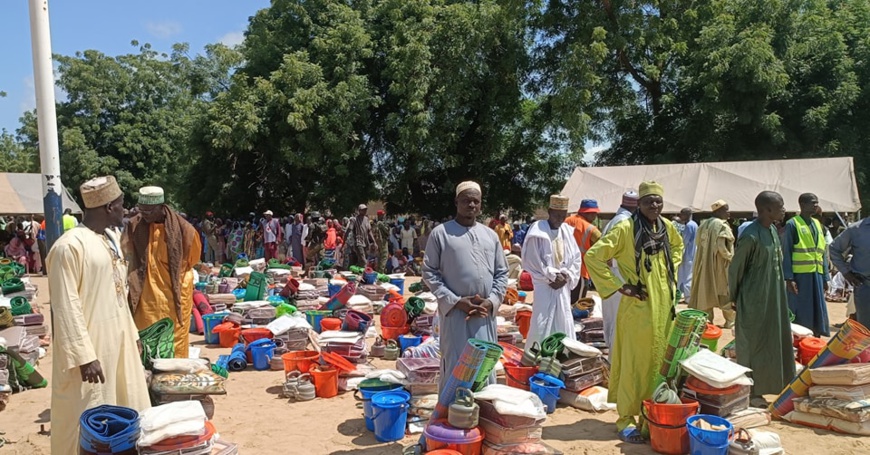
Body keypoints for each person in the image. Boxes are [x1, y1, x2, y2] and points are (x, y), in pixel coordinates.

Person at [48, 176, 150, 453]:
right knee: (85, 413)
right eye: (120, 205)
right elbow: (65, 305)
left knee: (124, 404)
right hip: (90, 350)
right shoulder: (69, 247)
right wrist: (84, 356)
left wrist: (132, 334)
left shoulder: (109, 240)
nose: (124, 210)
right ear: (107, 207)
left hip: (119, 341)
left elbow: (119, 294)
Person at [585, 181, 682, 443]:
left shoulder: (666, 227)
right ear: (638, 204)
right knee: (633, 364)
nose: (654, 205)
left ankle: (649, 413)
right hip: (638, 306)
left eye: (658, 201)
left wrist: (666, 273)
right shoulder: (625, 228)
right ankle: (626, 418)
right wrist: (620, 286)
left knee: (659, 362)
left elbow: (678, 247)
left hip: (663, 306)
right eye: (649, 201)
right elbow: (594, 256)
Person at [423, 181, 508, 393]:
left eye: (475, 201)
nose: (471, 205)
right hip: (456, 315)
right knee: (456, 364)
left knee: (483, 366)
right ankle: (452, 415)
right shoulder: (441, 234)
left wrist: (492, 301)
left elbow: (502, 272)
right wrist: (455, 301)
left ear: (480, 205)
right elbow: (429, 272)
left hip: (484, 314)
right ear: (456, 202)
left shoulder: (490, 235)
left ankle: (482, 415)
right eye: (466, 200)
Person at [729, 191, 795, 408]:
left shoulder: (774, 231)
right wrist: (734, 297)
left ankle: (772, 385)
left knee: (773, 340)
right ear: (766, 210)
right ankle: (751, 391)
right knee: (753, 344)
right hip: (754, 299)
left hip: (774, 298)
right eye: (780, 206)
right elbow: (736, 270)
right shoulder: (751, 236)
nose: (784, 209)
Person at [123, 186, 202, 358]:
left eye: (149, 210)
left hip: (174, 294)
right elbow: (126, 254)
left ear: (161, 207)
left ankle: (172, 377)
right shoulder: (134, 226)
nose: (144, 214)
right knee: (145, 337)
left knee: (174, 340)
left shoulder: (184, 230)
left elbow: (192, 258)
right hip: (145, 296)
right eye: (141, 210)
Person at [522, 195, 583, 347]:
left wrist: (565, 275)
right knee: (541, 321)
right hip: (544, 285)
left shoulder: (567, 232)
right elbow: (531, 260)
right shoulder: (538, 230)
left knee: (563, 319)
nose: (559, 219)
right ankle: (537, 355)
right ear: (549, 211)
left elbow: (576, 258)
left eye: (563, 216)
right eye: (556, 215)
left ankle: (562, 355)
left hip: (562, 286)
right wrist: (550, 276)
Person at [782, 193, 830, 337]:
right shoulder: (792, 224)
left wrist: (825, 276)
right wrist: (789, 278)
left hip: (816, 274)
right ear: (802, 205)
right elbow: (787, 252)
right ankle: (800, 338)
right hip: (800, 277)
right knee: (801, 309)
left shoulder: (817, 224)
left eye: (817, 203)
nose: (816, 205)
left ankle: (815, 337)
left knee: (817, 309)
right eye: (813, 203)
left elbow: (822, 253)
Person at [600, 191, 638, 355]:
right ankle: (616, 359)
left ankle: (614, 356)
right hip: (620, 276)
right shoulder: (624, 222)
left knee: (613, 317)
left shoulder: (614, 221)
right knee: (620, 319)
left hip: (613, 277)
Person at [689, 200, 736, 327]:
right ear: (719, 211)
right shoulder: (722, 225)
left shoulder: (704, 224)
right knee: (724, 292)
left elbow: (698, 243)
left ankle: (706, 321)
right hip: (720, 265)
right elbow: (722, 247)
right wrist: (731, 258)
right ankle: (730, 321)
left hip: (704, 264)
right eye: (726, 210)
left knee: (705, 291)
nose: (729, 213)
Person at [829, 218, 870, 328]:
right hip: (865, 288)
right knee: (865, 330)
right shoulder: (856, 229)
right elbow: (833, 249)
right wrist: (846, 273)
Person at [565, 199, 602, 304]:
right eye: (594, 213)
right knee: (579, 304)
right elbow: (604, 244)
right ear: (588, 213)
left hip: (563, 269)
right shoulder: (591, 229)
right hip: (580, 270)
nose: (595, 216)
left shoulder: (566, 221)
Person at [676, 208, 697, 303]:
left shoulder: (689, 226)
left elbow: (684, 241)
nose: (680, 216)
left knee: (686, 277)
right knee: (688, 276)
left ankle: (688, 298)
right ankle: (683, 295)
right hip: (692, 254)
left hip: (687, 255)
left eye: (682, 214)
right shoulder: (694, 224)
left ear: (687, 215)